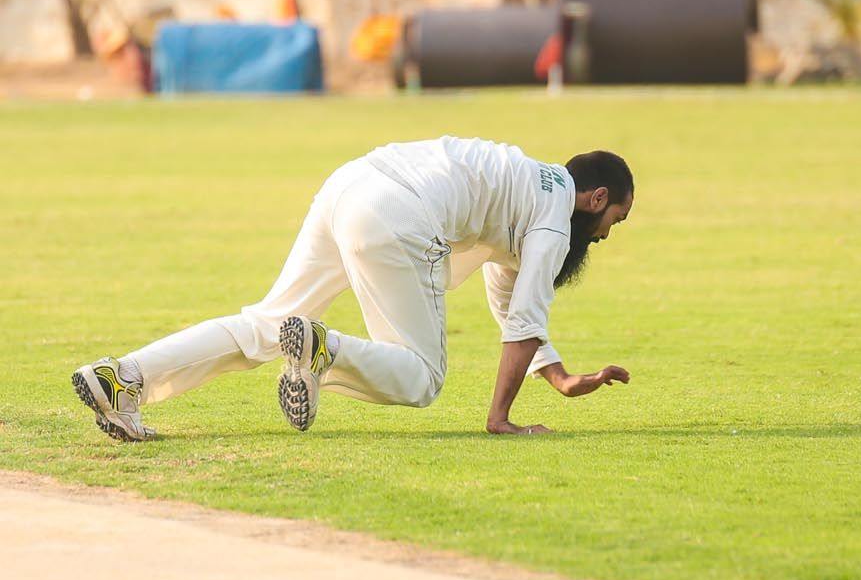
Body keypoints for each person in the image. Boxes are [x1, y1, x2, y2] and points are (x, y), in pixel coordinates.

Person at [71, 138, 633, 441]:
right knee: (423, 377)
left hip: (350, 185)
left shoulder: (528, 184)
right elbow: (526, 318)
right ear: (597, 198)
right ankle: (324, 349)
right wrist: (500, 419)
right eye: (615, 221)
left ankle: (124, 378)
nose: (606, 236)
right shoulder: (555, 220)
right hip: (402, 212)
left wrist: (557, 377)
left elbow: (510, 300)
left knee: (266, 323)